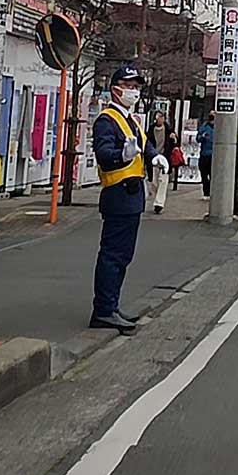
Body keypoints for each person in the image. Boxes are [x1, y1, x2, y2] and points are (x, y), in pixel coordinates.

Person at [90, 65, 153, 335]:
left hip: (132, 194)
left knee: (123, 255)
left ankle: (111, 306)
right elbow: (104, 153)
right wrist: (121, 155)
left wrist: (154, 157)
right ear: (116, 88)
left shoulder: (132, 119)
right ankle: (104, 310)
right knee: (113, 255)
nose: (134, 91)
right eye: (129, 86)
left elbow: (144, 143)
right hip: (118, 192)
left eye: (137, 86)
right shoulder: (107, 119)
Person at [147, 114, 170, 214]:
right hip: (154, 159)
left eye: (161, 118)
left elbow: (173, 144)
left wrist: (174, 138)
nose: (160, 120)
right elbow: (147, 143)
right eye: (158, 118)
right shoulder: (151, 130)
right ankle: (156, 199)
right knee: (154, 183)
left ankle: (159, 204)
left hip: (165, 159)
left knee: (163, 181)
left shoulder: (168, 130)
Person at [197, 113, 215, 198]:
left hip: (214, 155)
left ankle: (211, 192)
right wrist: (202, 136)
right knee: (204, 175)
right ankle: (206, 192)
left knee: (213, 175)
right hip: (204, 154)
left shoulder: (219, 127)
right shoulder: (204, 127)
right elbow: (198, 138)